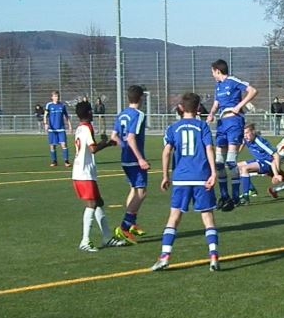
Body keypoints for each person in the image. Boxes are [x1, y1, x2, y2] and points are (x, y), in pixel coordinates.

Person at [152, 92, 221, 272]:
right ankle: (213, 256)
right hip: (202, 177)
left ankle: (165, 256)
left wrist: (165, 175)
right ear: (198, 108)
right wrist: (213, 173)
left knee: (174, 217)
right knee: (207, 217)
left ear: (181, 108)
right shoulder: (203, 127)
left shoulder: (173, 128)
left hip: (181, 178)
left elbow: (167, 152)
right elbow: (209, 149)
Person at [70, 100, 129, 252]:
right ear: (89, 112)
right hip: (84, 173)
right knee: (91, 204)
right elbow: (93, 149)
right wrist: (105, 142)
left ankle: (107, 237)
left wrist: (107, 143)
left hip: (82, 172)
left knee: (98, 203)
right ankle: (85, 241)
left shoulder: (79, 128)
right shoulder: (87, 128)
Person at [207, 59, 258, 210]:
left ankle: (235, 197)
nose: (212, 75)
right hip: (222, 124)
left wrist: (239, 106)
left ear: (217, 70)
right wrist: (211, 114)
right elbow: (216, 104)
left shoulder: (233, 81)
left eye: (212, 72)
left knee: (230, 161)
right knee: (219, 163)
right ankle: (224, 196)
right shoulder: (218, 86)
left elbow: (253, 91)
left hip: (234, 122)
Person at [109, 85, 151, 244]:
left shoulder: (122, 114)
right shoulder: (139, 114)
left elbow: (114, 137)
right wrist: (140, 159)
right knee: (141, 192)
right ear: (141, 98)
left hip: (125, 159)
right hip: (134, 160)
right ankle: (124, 228)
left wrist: (124, 147)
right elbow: (132, 137)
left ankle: (132, 225)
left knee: (134, 190)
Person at [236, 123, 284, 204]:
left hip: (267, 164)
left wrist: (276, 174)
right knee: (235, 167)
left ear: (253, 132)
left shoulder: (260, 142)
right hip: (260, 161)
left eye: (247, 133)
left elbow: (275, 155)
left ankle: (245, 196)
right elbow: (242, 143)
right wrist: (234, 155)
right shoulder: (246, 139)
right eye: (244, 133)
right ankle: (251, 189)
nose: (245, 135)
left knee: (244, 169)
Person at [44, 91, 72, 167]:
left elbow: (66, 116)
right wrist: (45, 123)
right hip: (52, 129)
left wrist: (70, 126)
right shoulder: (49, 105)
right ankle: (54, 161)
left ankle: (66, 161)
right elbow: (45, 115)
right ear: (52, 97)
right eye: (55, 96)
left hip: (61, 129)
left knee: (64, 145)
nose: (57, 98)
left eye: (58, 96)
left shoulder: (62, 105)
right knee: (52, 146)